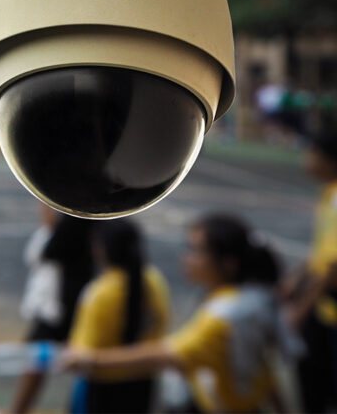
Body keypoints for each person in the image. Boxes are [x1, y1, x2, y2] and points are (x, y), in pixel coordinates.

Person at [63, 214, 296, 414]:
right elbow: (264, 372)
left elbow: (163, 355)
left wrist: (90, 360)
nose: (185, 257)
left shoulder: (221, 318)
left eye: (195, 250)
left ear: (228, 263)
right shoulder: (242, 299)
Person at [65, 218, 170, 414]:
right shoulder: (155, 281)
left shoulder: (100, 292)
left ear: (102, 249)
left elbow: (81, 351)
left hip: (102, 387)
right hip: (143, 383)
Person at [10, 206, 97, 413]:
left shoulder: (76, 218)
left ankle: (17, 410)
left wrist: (47, 214)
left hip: (63, 303)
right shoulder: (79, 217)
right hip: (66, 300)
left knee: (36, 358)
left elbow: (49, 250)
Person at [284, 129, 337, 412]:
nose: (306, 160)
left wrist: (300, 310)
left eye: (312, 152)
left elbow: (333, 267)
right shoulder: (329, 192)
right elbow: (321, 252)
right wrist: (295, 277)